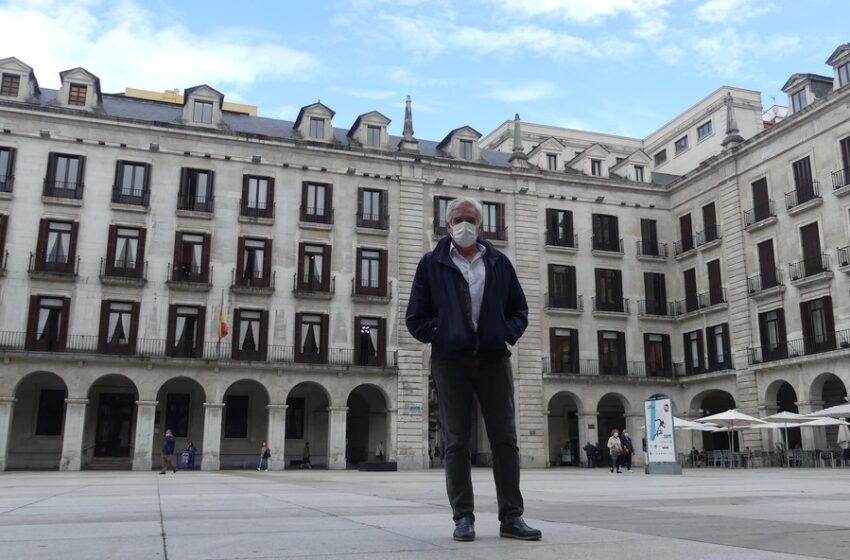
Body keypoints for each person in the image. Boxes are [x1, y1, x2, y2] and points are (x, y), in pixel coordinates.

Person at [406, 196, 540, 543]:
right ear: (447, 225)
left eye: (470, 219)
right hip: (450, 361)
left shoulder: (498, 262)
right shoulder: (431, 263)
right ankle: (463, 517)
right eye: (457, 220)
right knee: (457, 441)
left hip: (494, 357)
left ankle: (512, 517)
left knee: (505, 440)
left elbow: (519, 308)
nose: (464, 225)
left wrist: (505, 332)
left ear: (481, 226)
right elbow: (415, 317)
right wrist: (443, 332)